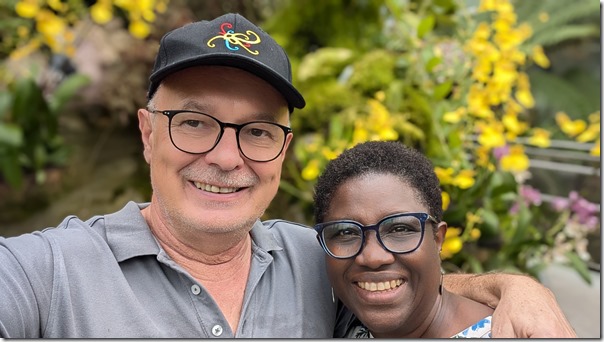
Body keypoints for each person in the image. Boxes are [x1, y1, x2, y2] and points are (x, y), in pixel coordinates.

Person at [0, 13, 576, 338]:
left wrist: (517, 289)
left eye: (256, 131)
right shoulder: (47, 272)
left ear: (283, 150)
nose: (228, 158)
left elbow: (417, 279)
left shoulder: (316, 258)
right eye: (195, 123)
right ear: (148, 133)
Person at [314, 141, 499, 338]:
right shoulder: (341, 326)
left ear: (437, 238)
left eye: (399, 229)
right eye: (346, 233)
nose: (373, 257)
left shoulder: (508, 332)